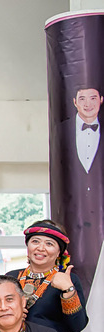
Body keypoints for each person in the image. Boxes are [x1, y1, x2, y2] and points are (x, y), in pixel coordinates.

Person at [52, 86, 103, 286]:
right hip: (73, 220)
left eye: (93, 98)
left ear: (101, 100)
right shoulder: (60, 130)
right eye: (82, 99)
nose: (88, 104)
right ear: (74, 102)